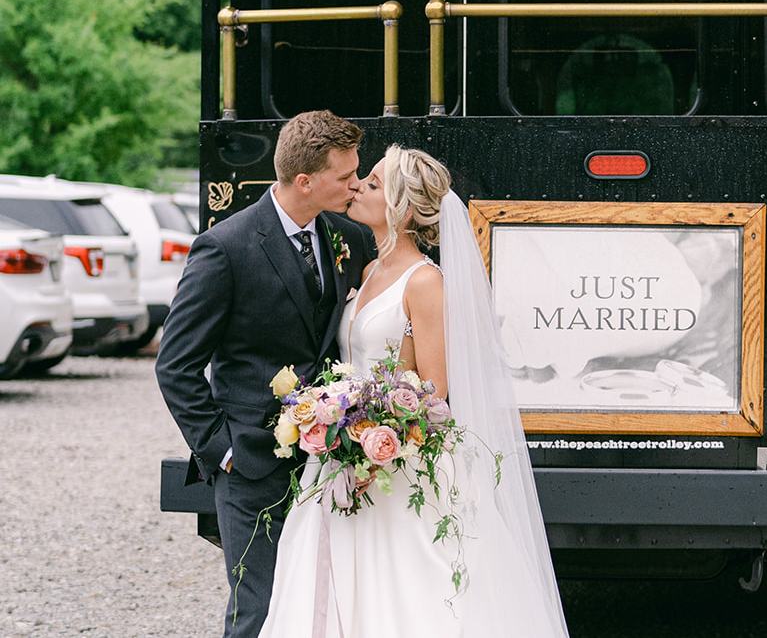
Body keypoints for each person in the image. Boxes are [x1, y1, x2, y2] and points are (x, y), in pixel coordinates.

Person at [258, 145, 569, 638]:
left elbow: (434, 391)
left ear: (400, 209)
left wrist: (373, 440)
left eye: (374, 183)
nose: (358, 186)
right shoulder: (367, 272)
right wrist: (329, 413)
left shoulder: (424, 282)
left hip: (397, 468)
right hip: (346, 458)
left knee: (406, 597)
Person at [156, 110, 375, 638]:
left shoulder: (349, 237)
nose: (356, 184)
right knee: (257, 609)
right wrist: (222, 450)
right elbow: (176, 363)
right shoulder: (225, 248)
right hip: (250, 464)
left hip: (330, 461)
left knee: (324, 605)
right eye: (345, 177)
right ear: (305, 181)